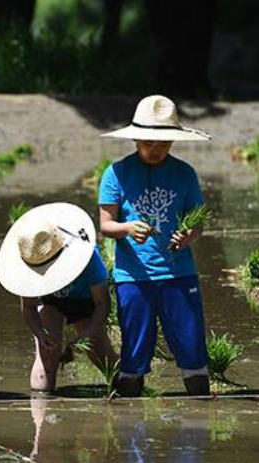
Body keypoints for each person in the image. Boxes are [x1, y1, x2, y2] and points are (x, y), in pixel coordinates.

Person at [98, 94, 212, 397]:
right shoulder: (115, 173)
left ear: (172, 142)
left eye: (163, 144)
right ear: (136, 139)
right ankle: (128, 418)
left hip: (179, 274)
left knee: (193, 352)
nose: (155, 150)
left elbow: (197, 223)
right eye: (149, 143)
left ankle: (200, 416)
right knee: (134, 357)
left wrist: (188, 236)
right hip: (133, 278)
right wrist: (127, 228)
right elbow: (106, 225)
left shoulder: (185, 173)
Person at [0, 203, 118, 393]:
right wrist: (40, 334)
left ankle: (127, 388)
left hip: (84, 299)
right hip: (50, 301)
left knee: (101, 355)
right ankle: (41, 406)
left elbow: (103, 304)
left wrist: (88, 333)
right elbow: (29, 308)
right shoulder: (31, 260)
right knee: (47, 355)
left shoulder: (87, 258)